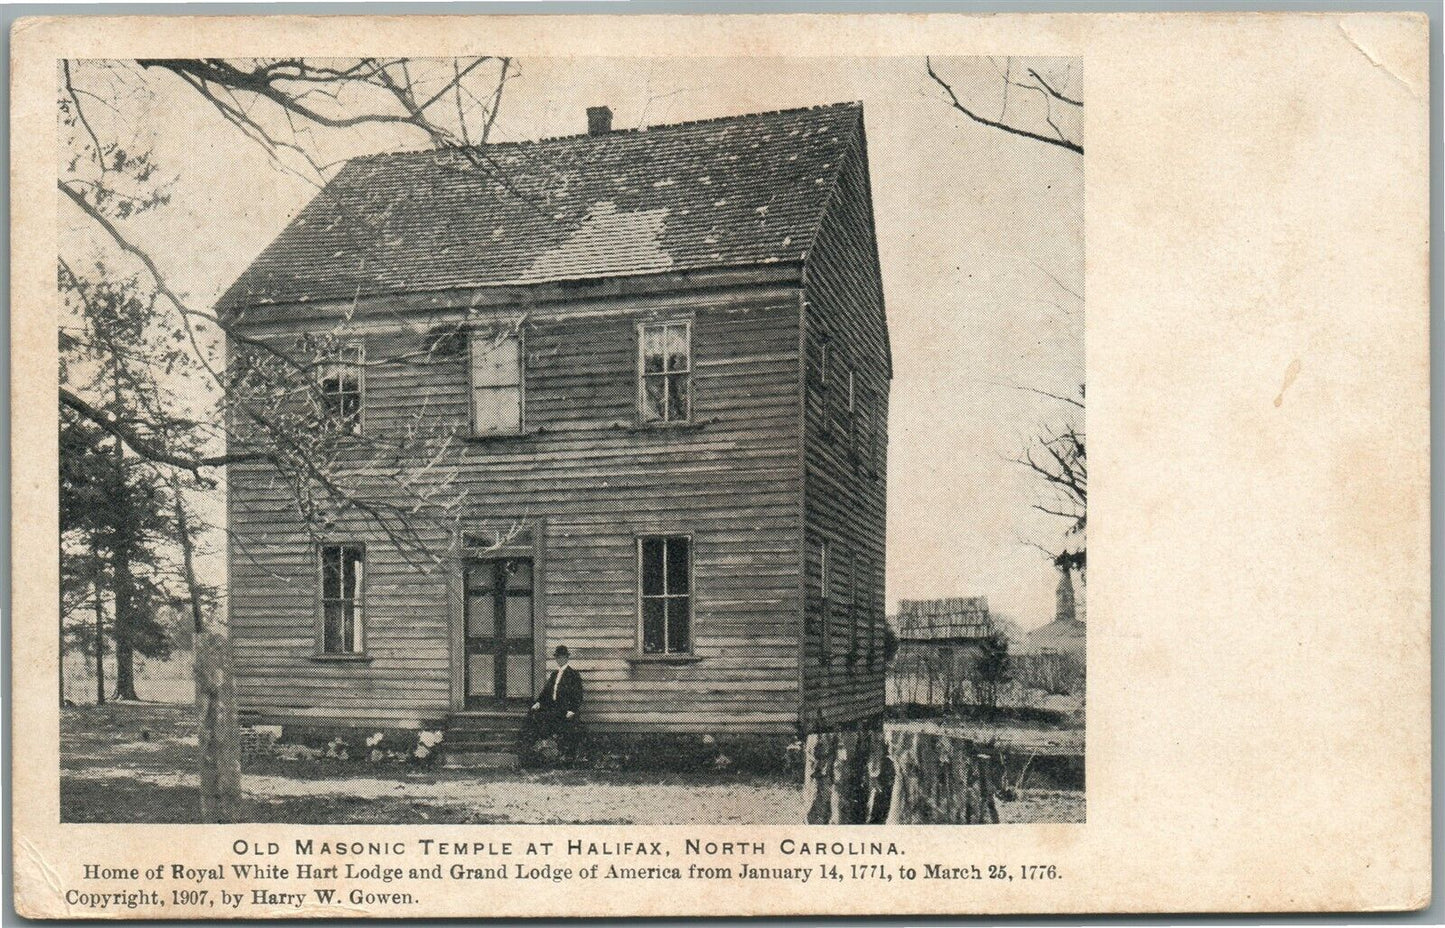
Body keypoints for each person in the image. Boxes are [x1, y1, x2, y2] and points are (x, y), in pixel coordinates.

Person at [519, 645, 583, 764]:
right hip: (553, 707)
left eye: (563, 657)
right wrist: (538, 702)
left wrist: (572, 709)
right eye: (558, 657)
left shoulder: (573, 675)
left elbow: (578, 695)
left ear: (567, 658)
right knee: (532, 715)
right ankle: (529, 749)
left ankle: (550, 750)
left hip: (564, 710)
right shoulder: (554, 675)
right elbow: (546, 692)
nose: (560, 660)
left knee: (546, 720)